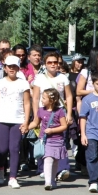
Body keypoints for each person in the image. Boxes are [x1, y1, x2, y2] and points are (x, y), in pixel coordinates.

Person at [0, 55, 32, 187]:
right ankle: (1, 168)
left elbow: (26, 103)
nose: (12, 69)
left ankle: (13, 177)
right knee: (2, 149)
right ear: (5, 68)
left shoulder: (23, 83)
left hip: (17, 119)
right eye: (9, 66)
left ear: (18, 68)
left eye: (14, 66)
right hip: (2, 119)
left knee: (14, 148)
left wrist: (26, 121)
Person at [31, 51, 74, 179]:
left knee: (61, 140)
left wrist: (69, 114)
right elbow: (35, 98)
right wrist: (35, 116)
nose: (53, 65)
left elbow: (69, 95)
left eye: (55, 62)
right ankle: (43, 168)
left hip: (59, 112)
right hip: (43, 112)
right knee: (43, 140)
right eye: (50, 62)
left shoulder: (63, 77)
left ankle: (62, 169)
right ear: (45, 64)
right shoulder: (39, 78)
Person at [28, 88, 68, 190]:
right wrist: (26, 127)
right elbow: (35, 122)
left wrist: (52, 130)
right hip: (46, 140)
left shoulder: (59, 112)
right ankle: (48, 182)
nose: (41, 100)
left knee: (55, 161)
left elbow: (64, 126)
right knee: (48, 159)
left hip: (57, 140)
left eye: (44, 98)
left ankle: (53, 180)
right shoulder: (41, 111)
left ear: (52, 100)